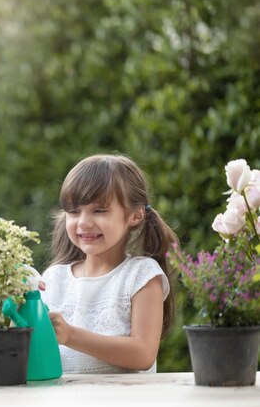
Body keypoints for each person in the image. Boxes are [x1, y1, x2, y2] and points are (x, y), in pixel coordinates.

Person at [39, 154, 177, 374]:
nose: (83, 222)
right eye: (74, 211)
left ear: (135, 215)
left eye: (99, 210)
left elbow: (143, 354)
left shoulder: (142, 275)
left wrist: (71, 335)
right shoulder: (53, 279)